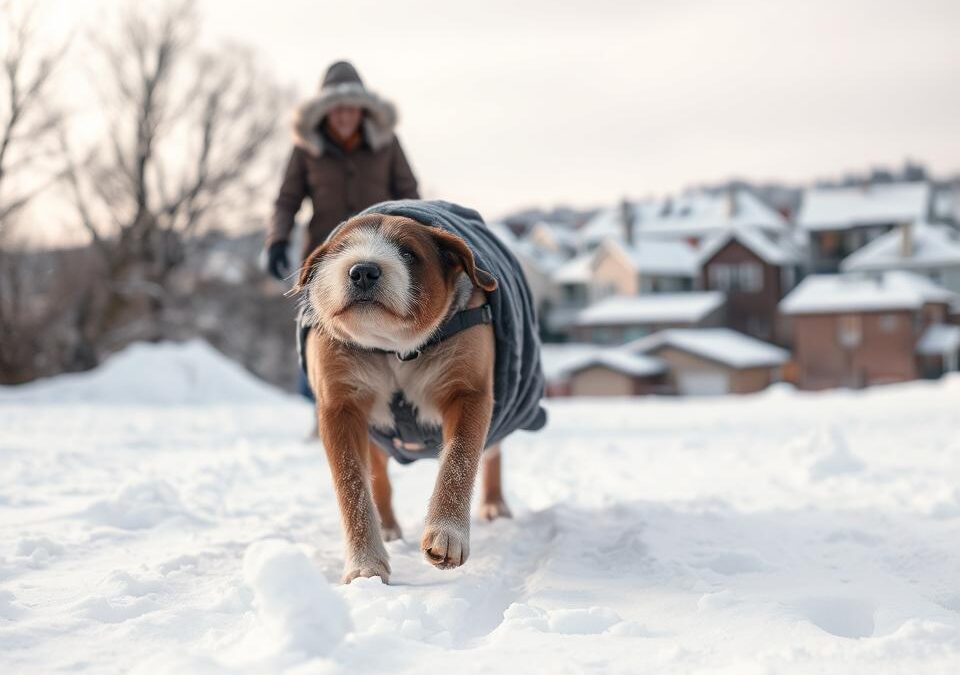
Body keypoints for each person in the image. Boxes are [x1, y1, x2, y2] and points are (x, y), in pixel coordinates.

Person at [264, 60, 420, 282]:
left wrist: (417, 240)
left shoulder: (387, 144)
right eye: (337, 109)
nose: (344, 117)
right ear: (324, 111)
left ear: (362, 110)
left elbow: (409, 195)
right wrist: (277, 240)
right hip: (324, 255)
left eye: (350, 108)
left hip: (380, 254)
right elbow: (287, 201)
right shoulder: (306, 148)